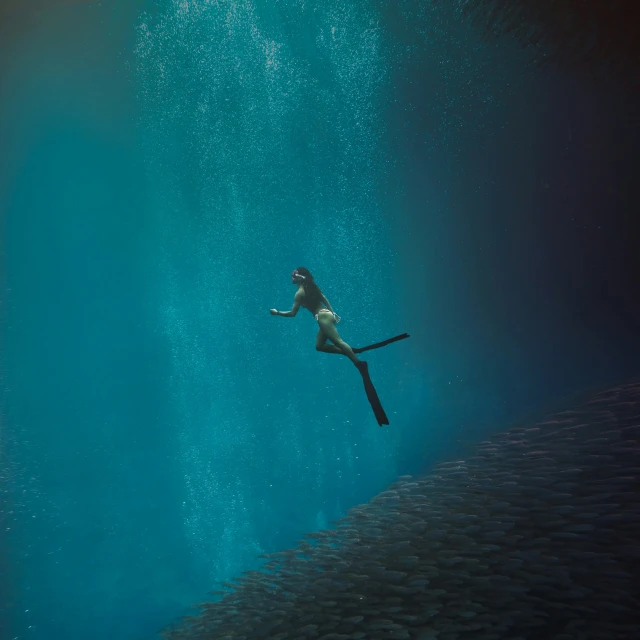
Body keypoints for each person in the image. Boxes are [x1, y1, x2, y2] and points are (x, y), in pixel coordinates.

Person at [269, 267, 367, 373]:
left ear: (299, 277)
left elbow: (292, 313)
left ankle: (359, 364)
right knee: (319, 346)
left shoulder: (300, 293)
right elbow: (323, 298)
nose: (291, 277)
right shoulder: (311, 287)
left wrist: (277, 312)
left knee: (338, 342)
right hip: (325, 314)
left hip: (322, 317)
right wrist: (332, 313)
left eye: (294, 275)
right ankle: (348, 351)